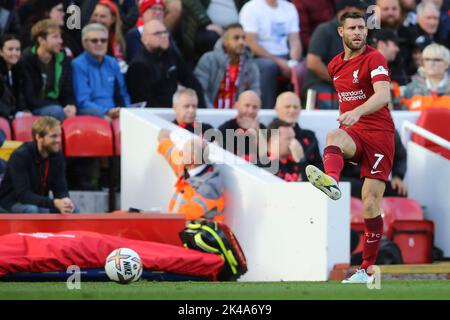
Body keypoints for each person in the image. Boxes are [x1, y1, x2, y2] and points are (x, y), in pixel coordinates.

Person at [305, 12, 395, 284]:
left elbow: (383, 95)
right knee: (333, 135)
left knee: (370, 202)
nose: (358, 32)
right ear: (341, 32)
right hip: (355, 132)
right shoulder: (334, 66)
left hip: (380, 136)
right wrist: (353, 117)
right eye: (352, 28)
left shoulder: (375, 58)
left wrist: (357, 111)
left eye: (362, 28)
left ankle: (366, 269)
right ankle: (331, 181)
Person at [0, 116, 76, 213]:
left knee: (72, 209)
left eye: (59, 135)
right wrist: (54, 203)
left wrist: (65, 200)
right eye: (53, 136)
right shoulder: (20, 156)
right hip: (12, 202)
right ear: (38, 137)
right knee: (32, 210)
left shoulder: (57, 155)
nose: (58, 140)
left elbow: (60, 188)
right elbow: (23, 195)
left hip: (39, 201)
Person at [302, 0, 367, 109]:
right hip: (321, 84)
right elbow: (312, 62)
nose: (363, 12)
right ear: (347, 10)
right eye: (359, 9)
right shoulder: (324, 30)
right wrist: (339, 81)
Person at [126, 20, 205, 108]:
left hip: (177, 113)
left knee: (199, 120)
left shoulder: (172, 55)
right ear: (144, 40)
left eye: (165, 32)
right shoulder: (138, 66)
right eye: (157, 33)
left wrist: (202, 112)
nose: (164, 36)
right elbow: (143, 103)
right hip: (154, 117)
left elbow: (193, 83)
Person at [239, 0, 302, 109]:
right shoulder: (251, 7)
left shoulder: (289, 7)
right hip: (258, 57)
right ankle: (266, 109)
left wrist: (293, 62)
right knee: (269, 67)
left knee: (303, 67)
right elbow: (251, 43)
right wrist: (279, 62)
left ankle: (298, 109)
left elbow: (294, 39)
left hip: (285, 55)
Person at [157, 128, 225, 221]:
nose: (180, 154)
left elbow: (184, 217)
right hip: (175, 226)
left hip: (193, 232)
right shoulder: (187, 167)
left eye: (183, 152)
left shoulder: (208, 188)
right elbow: (168, 149)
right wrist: (165, 138)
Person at [21, 19, 77, 122]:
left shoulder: (64, 60)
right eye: (55, 37)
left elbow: (67, 92)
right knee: (57, 111)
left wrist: (71, 106)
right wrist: (60, 107)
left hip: (56, 106)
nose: (60, 41)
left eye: (60, 37)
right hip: (33, 108)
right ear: (41, 40)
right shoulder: (26, 60)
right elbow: (29, 97)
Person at [194, 23, 260, 109]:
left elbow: (255, 94)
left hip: (237, 118)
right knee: (197, 122)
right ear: (225, 42)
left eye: (243, 38)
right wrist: (211, 113)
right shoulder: (208, 59)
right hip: (206, 115)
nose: (241, 42)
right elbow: (200, 90)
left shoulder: (251, 65)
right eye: (236, 38)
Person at [72, 23, 130, 119]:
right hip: (93, 112)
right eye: (94, 41)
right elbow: (82, 101)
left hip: (115, 110)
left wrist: (126, 109)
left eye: (103, 40)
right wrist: (106, 112)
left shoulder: (113, 62)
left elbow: (123, 93)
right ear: (84, 43)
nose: (99, 44)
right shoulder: (78, 64)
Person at [341, 129, 408, 198]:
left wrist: (397, 177)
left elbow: (400, 157)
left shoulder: (390, 133)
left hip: (374, 181)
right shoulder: (350, 131)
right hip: (351, 180)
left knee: (400, 192)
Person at [273, 91, 323, 176]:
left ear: (300, 110)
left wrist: (301, 160)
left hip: (305, 185)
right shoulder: (268, 134)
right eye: (287, 107)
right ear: (277, 109)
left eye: (295, 107)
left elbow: (320, 170)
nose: (292, 110)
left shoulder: (309, 136)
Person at [218, 90, 265, 162]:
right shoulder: (225, 129)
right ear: (237, 105)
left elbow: (268, 159)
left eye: (255, 107)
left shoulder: (263, 129)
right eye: (247, 105)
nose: (250, 111)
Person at [400, 43, 450, 111]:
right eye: (427, 59)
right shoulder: (410, 89)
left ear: (447, 64)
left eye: (437, 60)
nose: (431, 63)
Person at [0, 34, 29, 120]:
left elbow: (21, 95)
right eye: (10, 49)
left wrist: (24, 110)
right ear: (1, 51)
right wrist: (16, 114)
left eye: (17, 49)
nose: (15, 53)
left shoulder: (19, 69)